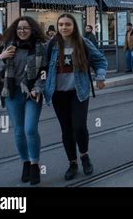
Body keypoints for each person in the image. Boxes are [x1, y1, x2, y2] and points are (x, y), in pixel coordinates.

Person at [45, 14, 107, 181]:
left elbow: (100, 60)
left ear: (74, 26)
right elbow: (42, 67)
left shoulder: (83, 42)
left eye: (68, 24)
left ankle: (84, 156)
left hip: (79, 91)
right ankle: (72, 163)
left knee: (79, 126)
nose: (64, 27)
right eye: (61, 24)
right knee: (66, 130)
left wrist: (100, 77)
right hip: (58, 93)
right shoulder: (51, 45)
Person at [0, 16, 47, 185]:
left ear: (32, 30)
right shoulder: (8, 47)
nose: (22, 31)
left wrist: (37, 88)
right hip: (12, 93)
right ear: (15, 30)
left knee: (30, 129)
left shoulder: (40, 48)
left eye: (26, 28)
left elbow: (44, 72)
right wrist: (1, 57)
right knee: (19, 131)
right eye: (19, 28)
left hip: (32, 93)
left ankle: (34, 164)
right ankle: (25, 162)